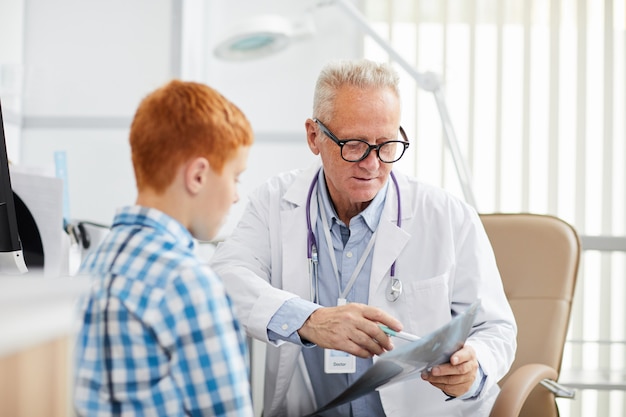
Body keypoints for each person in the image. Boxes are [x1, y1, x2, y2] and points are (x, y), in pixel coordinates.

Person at [210, 59, 517, 417]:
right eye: (354, 145)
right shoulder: (275, 202)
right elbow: (224, 278)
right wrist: (310, 321)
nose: (372, 164)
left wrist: (474, 368)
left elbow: (496, 328)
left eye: (386, 145)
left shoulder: (447, 215)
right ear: (314, 136)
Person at [73, 80, 255, 416]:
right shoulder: (190, 285)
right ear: (198, 176)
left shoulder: (93, 264)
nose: (235, 195)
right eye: (235, 177)